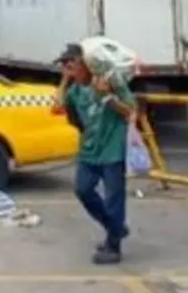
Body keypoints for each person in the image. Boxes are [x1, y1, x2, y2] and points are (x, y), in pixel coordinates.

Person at [52, 43, 136, 265]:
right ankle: (115, 228)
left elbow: (130, 110)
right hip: (90, 150)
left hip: (112, 148)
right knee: (83, 190)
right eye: (64, 64)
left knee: (113, 198)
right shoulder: (74, 93)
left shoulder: (109, 82)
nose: (68, 67)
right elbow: (70, 116)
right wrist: (65, 81)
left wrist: (108, 98)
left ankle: (113, 246)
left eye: (72, 63)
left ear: (86, 63)